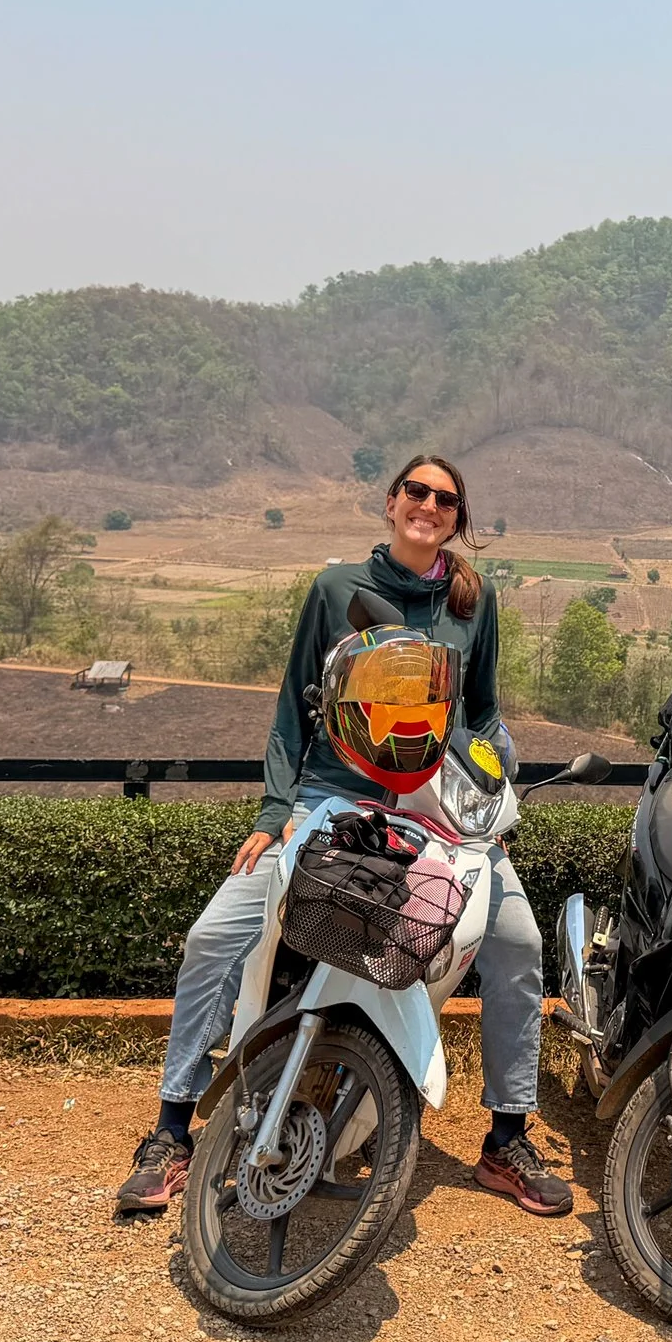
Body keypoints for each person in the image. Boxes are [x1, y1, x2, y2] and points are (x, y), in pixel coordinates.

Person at [115, 455, 571, 1217]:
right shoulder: (336, 591)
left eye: (445, 498)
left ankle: (506, 1136)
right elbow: (294, 711)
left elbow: (482, 710)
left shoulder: (472, 599)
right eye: (416, 492)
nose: (428, 505)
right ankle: (170, 1130)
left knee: (520, 942)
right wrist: (274, 811)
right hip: (336, 797)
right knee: (216, 934)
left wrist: (496, 775)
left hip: (441, 809)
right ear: (391, 502)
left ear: (458, 517)